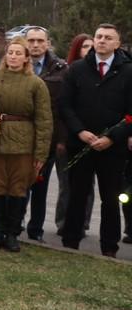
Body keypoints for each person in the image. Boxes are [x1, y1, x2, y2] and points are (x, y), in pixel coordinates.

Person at [58, 24, 132, 257]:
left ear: (117, 44)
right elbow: (65, 105)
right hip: (81, 144)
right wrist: (80, 131)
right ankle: (70, 241)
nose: (102, 41)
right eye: (99, 36)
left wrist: (112, 137)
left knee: (110, 199)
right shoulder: (77, 69)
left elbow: (131, 114)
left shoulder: (129, 72)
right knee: (77, 194)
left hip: (113, 149)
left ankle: (109, 247)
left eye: (108, 38)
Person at [0, 37, 52, 253]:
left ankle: (12, 234)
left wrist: (41, 153)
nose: (14, 56)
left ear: (27, 58)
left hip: (23, 145)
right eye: (11, 52)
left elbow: (45, 121)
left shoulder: (36, 84)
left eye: (19, 53)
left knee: (18, 189)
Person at [23, 27, 68, 241]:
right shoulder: (16, 64)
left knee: (39, 186)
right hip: (20, 137)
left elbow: (64, 108)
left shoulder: (61, 69)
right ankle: (14, 225)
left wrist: (61, 139)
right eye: (31, 40)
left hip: (46, 139)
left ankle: (35, 230)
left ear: (48, 43)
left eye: (39, 41)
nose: (35, 45)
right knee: (19, 185)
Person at [61, 33, 95, 237]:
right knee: (68, 185)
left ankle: (83, 223)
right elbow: (63, 108)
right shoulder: (68, 71)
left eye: (92, 46)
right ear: (76, 49)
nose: (89, 50)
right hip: (71, 138)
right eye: (85, 46)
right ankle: (65, 221)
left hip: (94, 138)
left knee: (87, 187)